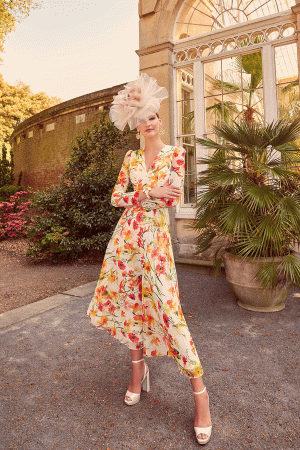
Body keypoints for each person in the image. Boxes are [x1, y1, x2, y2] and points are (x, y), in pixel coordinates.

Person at [86, 73, 212, 445]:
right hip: (126, 240)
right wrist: (148, 191)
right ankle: (137, 373)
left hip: (155, 239)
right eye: (141, 118)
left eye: (152, 116)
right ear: (135, 126)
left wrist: (148, 193)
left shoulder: (176, 153)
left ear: (158, 117)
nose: (148, 122)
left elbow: (172, 198)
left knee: (169, 311)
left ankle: (201, 397)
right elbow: (115, 197)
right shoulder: (131, 157)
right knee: (131, 305)